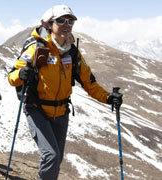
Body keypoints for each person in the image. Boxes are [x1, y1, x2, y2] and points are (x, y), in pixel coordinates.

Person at [7, 5, 123, 179]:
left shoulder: (73, 52)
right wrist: (21, 74)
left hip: (61, 112)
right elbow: (12, 77)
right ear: (50, 24)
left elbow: (89, 83)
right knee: (51, 156)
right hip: (36, 109)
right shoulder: (35, 47)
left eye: (71, 21)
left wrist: (107, 97)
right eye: (61, 20)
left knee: (57, 158)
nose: (66, 25)